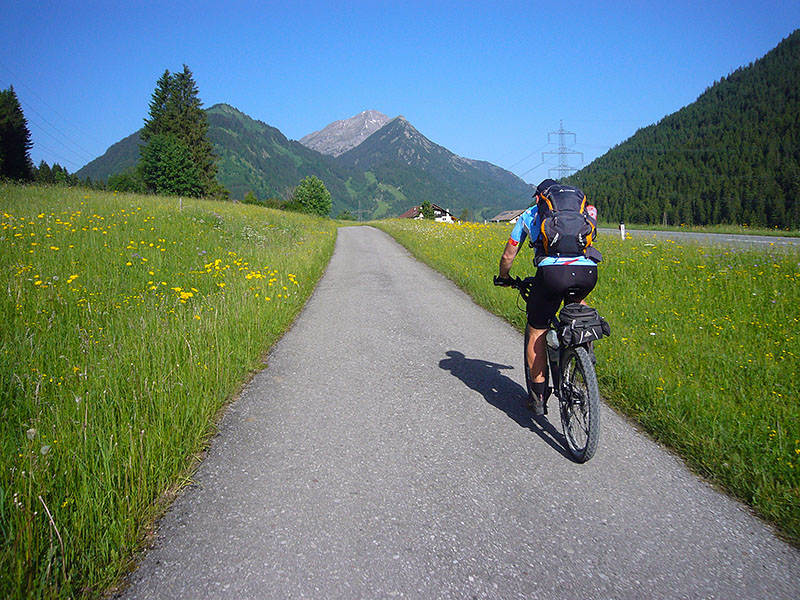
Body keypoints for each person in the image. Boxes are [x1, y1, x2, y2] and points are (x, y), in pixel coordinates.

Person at [494, 179, 601, 415]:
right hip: (587, 272)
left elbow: (508, 255)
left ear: (539, 197)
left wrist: (504, 277)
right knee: (577, 309)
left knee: (537, 329)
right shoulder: (583, 212)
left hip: (552, 274)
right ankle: (584, 350)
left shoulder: (531, 215)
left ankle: (539, 397)